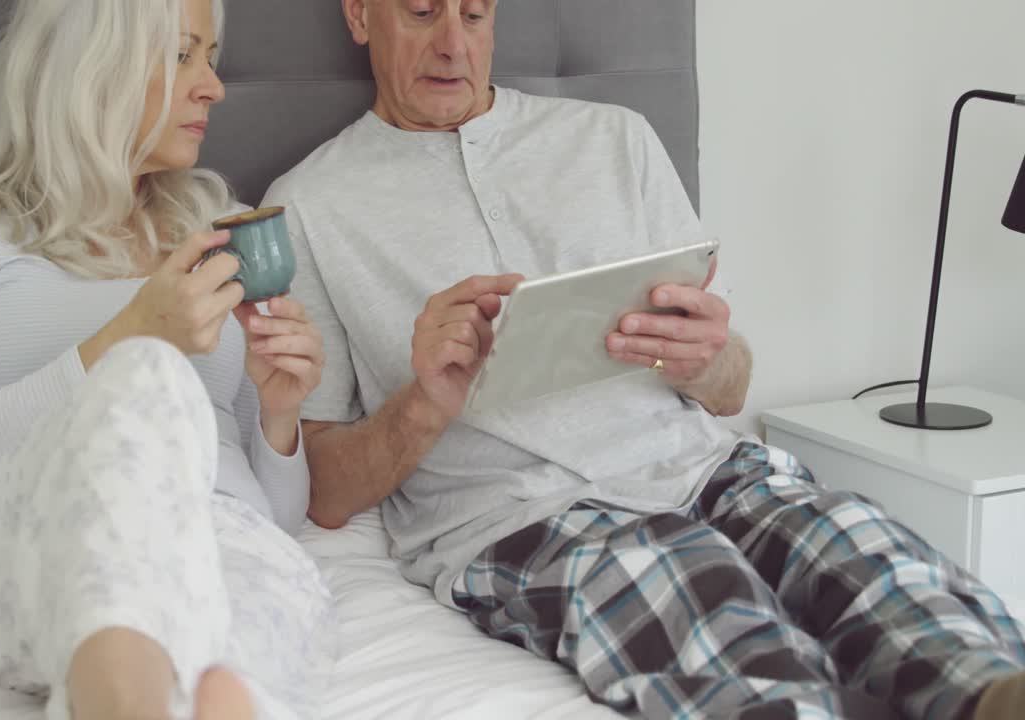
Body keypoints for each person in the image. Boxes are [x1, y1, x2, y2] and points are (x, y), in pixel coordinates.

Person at [263, 1, 1025, 717]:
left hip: (705, 471)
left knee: (873, 564)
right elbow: (324, 493)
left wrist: (703, 360)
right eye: (423, 10)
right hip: (524, 518)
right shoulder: (307, 206)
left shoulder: (614, 140)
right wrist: (425, 401)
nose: (454, 44)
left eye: (476, 11)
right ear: (361, 13)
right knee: (701, 600)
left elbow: (731, 391)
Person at [0, 1, 335, 719]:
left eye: (210, 57)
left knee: (234, 625)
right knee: (146, 380)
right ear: (94, 66)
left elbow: (273, 517)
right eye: (183, 54)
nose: (213, 86)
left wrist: (279, 417)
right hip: (26, 535)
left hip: (219, 539)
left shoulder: (217, 230)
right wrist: (130, 335)